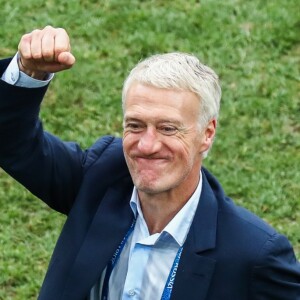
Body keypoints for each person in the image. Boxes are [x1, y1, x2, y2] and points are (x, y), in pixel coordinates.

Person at [0, 26, 299, 300]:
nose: (147, 145)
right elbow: (12, 142)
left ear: (206, 134)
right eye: (135, 125)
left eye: (168, 128)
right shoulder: (99, 177)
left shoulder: (253, 252)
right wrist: (29, 72)